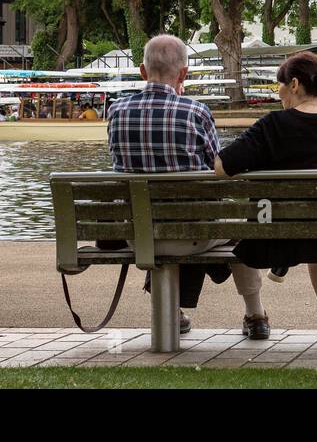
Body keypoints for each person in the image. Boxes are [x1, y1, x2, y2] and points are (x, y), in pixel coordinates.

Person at [108, 34, 267, 339]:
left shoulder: (116, 111)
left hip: (139, 236)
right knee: (241, 225)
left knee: (157, 215)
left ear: (143, 72)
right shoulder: (196, 112)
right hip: (193, 234)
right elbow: (216, 170)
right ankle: (255, 314)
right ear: (183, 74)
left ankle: (173, 312)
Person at [215, 51, 317, 344]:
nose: (279, 92)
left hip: (272, 237)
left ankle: (285, 262)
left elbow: (221, 167)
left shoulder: (271, 125)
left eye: (279, 86)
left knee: (304, 222)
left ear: (294, 84)